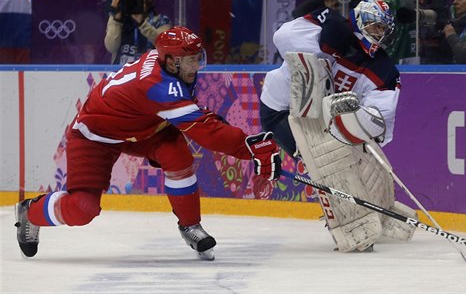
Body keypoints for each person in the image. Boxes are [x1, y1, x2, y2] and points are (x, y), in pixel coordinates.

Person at [15, 26, 281, 261]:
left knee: (178, 157)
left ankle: (190, 226)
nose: (197, 66)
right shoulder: (159, 86)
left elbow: (196, 116)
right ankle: (31, 212)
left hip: (143, 126)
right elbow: (205, 132)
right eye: (191, 60)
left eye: (198, 58)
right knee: (83, 209)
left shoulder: (165, 63)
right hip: (96, 136)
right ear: (171, 61)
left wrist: (233, 137)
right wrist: (249, 149)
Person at [260, 0, 417, 252]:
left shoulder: (384, 70)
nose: (378, 35)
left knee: (370, 160)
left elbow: (379, 123)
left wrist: (352, 117)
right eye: (374, 27)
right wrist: (322, 36)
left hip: (322, 119)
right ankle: (350, 224)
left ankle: (382, 210)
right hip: (281, 110)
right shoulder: (332, 28)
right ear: (360, 22)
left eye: (383, 31)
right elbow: (282, 36)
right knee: (327, 158)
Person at [105, 0, 173, 64]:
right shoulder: (120, 17)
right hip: (120, 73)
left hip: (149, 73)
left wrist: (142, 23)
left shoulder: (162, 20)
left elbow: (163, 44)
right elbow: (111, 47)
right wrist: (116, 20)